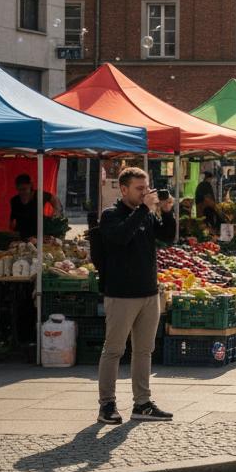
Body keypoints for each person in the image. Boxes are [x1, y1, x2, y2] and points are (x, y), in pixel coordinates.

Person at [95, 166, 176, 424]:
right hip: (121, 294)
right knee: (114, 350)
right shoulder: (111, 215)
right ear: (124, 189)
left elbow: (167, 238)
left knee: (144, 351)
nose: (145, 193)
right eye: (139, 189)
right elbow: (120, 238)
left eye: (146, 187)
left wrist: (166, 212)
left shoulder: (146, 215)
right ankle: (106, 405)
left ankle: (142, 403)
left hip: (148, 293)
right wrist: (144, 210)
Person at [8, 173, 58, 242]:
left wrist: (56, 210)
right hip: (22, 237)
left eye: (24, 189)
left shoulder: (39, 195)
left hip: (39, 236)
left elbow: (53, 198)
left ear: (30, 185)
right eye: (19, 190)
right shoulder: (14, 200)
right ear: (16, 187)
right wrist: (12, 227)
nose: (22, 192)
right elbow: (13, 219)